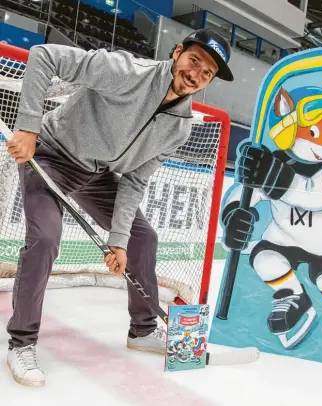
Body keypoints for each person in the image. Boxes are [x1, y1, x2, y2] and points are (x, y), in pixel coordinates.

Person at [5, 27, 234, 387]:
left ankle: (143, 330)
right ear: (177, 52)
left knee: (143, 239)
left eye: (207, 73)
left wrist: (119, 240)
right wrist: (29, 128)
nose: (196, 75)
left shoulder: (181, 128)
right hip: (49, 156)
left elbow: (135, 181)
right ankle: (22, 342)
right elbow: (43, 55)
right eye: (194, 61)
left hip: (96, 173)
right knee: (46, 239)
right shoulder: (125, 71)